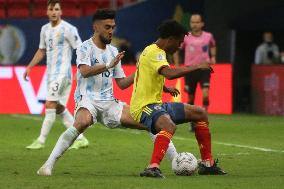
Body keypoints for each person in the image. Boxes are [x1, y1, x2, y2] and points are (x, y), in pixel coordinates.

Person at [36, 9, 178, 176]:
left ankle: (177, 161)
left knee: (150, 122)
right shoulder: (84, 48)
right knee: (82, 122)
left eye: (113, 27)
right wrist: (108, 65)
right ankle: (47, 165)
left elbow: (122, 84)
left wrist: (141, 71)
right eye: (107, 27)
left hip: (110, 103)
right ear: (96, 27)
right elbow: (85, 71)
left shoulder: (113, 51)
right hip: (87, 100)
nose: (111, 31)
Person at [130, 20, 226, 178]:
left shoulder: (152, 50)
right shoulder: (156, 52)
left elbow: (146, 77)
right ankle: (152, 167)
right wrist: (196, 66)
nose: (180, 46)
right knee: (168, 125)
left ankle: (207, 164)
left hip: (157, 104)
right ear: (170, 39)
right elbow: (169, 73)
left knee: (200, 113)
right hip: (143, 107)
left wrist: (165, 88)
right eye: (179, 42)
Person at [23, 0, 89, 150]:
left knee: (50, 104)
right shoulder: (44, 29)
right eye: (51, 9)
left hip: (63, 74)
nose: (53, 12)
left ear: (61, 12)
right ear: (47, 12)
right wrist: (30, 67)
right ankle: (81, 138)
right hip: (51, 75)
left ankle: (40, 141)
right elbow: (41, 50)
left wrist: (81, 70)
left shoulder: (68, 29)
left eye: (56, 9)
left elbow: (80, 49)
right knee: (58, 107)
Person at [174, 14, 216, 111]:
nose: (194, 25)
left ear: (202, 24)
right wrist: (177, 64)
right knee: (190, 98)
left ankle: (204, 114)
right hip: (190, 70)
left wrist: (213, 56)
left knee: (205, 94)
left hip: (204, 68)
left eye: (197, 22)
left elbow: (213, 45)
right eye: (192, 22)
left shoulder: (208, 36)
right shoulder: (186, 37)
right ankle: (191, 120)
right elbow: (176, 49)